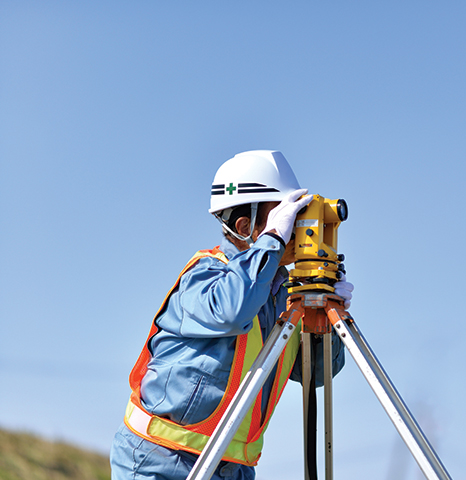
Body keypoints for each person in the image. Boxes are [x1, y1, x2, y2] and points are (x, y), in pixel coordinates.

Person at [110, 150, 352, 480]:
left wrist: (324, 317)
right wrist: (272, 242)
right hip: (161, 459)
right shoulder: (204, 275)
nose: (296, 224)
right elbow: (232, 310)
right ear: (245, 225)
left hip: (233, 469)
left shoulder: (285, 296)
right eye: (284, 214)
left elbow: (317, 375)